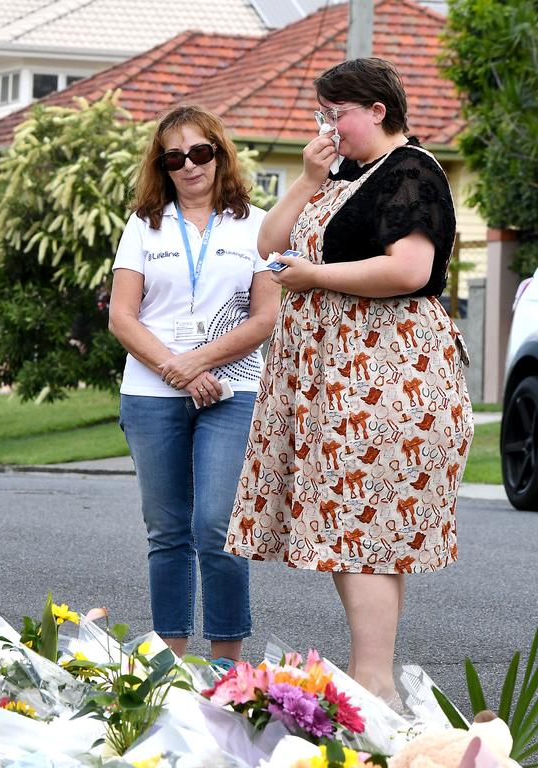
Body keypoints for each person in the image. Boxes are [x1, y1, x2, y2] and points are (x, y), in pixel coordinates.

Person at [224, 58, 473, 703]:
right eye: (323, 116)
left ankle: (375, 684)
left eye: (337, 115)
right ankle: (374, 682)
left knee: (365, 529)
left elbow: (410, 270)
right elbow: (269, 244)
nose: (328, 128)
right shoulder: (338, 175)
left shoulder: (412, 172)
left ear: (377, 111)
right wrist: (305, 180)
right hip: (331, 373)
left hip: (385, 370)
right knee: (349, 528)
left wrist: (314, 277)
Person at [109, 104, 280, 664]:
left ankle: (229, 669)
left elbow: (264, 318)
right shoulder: (143, 225)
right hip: (152, 393)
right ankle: (173, 664)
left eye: (200, 153)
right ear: (162, 165)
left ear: (220, 155)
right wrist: (175, 369)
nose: (189, 166)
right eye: (174, 157)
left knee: (218, 525)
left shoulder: (256, 225)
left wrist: (197, 364)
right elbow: (122, 317)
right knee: (167, 530)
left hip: (234, 392)